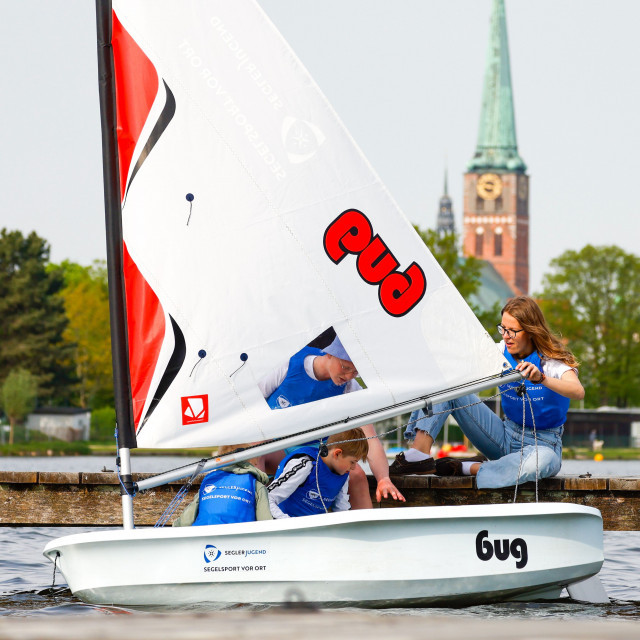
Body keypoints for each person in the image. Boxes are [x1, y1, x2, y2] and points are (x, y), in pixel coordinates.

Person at [390, 296, 585, 488]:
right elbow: (454, 362)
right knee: (445, 377)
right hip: (503, 437)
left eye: (512, 331)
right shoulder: (498, 352)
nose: (505, 336)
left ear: (530, 331)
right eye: (503, 329)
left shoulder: (551, 361)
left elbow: (578, 391)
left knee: (540, 463)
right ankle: (418, 454)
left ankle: (468, 467)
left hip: (543, 446)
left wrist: (541, 378)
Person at [258, 335, 405, 507]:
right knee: (256, 449)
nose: (349, 375)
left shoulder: (350, 388)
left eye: (355, 372)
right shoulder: (287, 365)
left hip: (314, 452)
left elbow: (370, 439)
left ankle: (367, 530)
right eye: (345, 367)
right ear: (328, 354)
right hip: (276, 446)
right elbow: (247, 407)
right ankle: (258, 514)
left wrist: (383, 478)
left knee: (357, 475)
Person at [268, 428, 369, 518]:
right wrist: (286, 522)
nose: (354, 467)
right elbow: (268, 498)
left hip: (312, 531)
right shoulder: (305, 464)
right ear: (337, 453)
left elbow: (341, 510)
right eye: (352, 462)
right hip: (285, 527)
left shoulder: (343, 476)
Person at [172, 443, 272, 526]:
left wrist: (175, 526)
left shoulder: (210, 480)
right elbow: (265, 521)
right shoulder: (256, 484)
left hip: (204, 535)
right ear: (250, 460)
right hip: (239, 538)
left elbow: (187, 519)